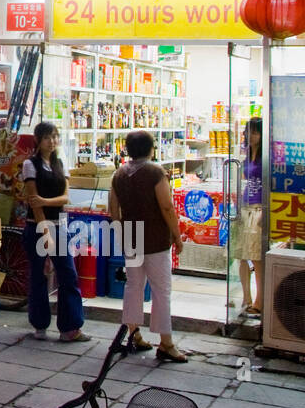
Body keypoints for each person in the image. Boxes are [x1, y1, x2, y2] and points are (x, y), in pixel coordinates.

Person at [109, 130, 186, 362]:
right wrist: (177, 235)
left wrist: (121, 234)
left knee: (133, 286)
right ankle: (166, 342)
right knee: (161, 290)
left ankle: (133, 334)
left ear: (128, 149)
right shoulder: (155, 172)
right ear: (151, 149)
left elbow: (113, 210)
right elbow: (166, 207)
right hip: (155, 239)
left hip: (132, 236)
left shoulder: (119, 174)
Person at [21, 121, 90, 342]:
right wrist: (45, 232)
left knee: (68, 274)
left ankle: (70, 327)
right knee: (38, 275)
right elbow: (34, 202)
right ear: (38, 141)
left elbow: (65, 197)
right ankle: (39, 325)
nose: (52, 141)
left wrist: (45, 200)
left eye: (55, 137)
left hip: (60, 225)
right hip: (38, 226)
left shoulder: (60, 164)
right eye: (47, 137)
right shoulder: (30, 165)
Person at [232, 117, 265, 316]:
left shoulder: (265, 157)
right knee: (240, 254)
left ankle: (259, 301)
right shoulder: (247, 154)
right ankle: (246, 297)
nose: (250, 136)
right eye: (248, 132)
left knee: (256, 256)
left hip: (259, 207)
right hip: (245, 205)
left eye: (254, 132)